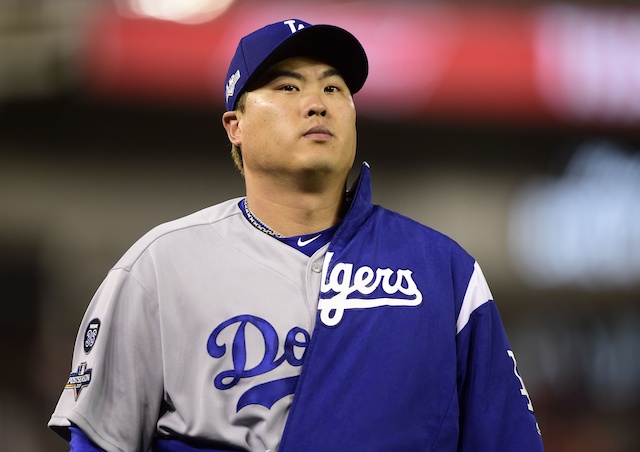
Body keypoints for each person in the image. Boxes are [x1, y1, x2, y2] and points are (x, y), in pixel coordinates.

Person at [48, 18, 544, 451]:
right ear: (234, 125)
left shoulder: (443, 270)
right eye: (287, 88)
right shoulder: (160, 265)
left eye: (334, 89)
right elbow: (100, 440)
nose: (316, 104)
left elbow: (505, 437)